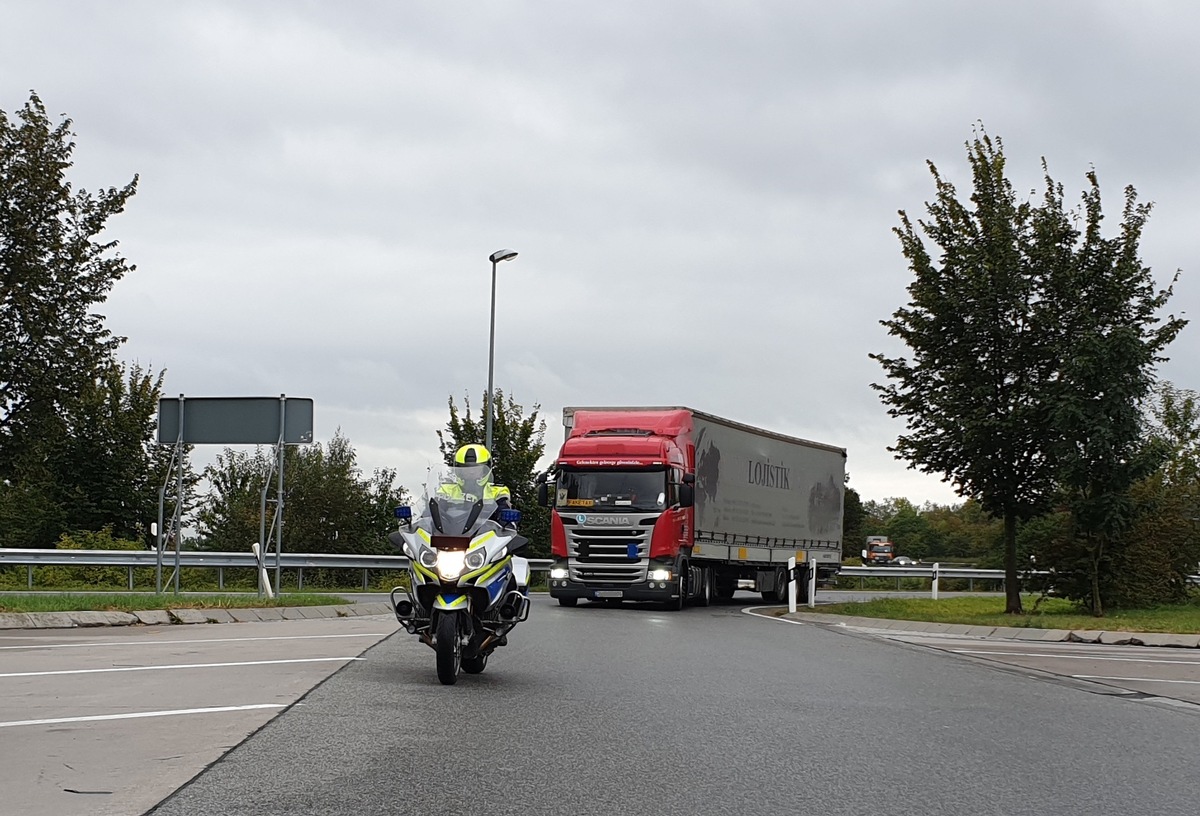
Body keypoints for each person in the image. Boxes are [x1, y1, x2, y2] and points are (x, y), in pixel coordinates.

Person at [438, 443, 513, 521]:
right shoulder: (446, 490)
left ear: (485, 469)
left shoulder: (498, 491)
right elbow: (431, 514)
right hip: (449, 532)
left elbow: (503, 516)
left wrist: (506, 524)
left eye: (476, 467)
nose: (471, 472)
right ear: (458, 469)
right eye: (465, 468)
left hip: (486, 532)